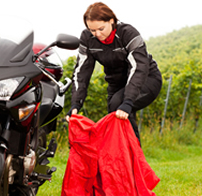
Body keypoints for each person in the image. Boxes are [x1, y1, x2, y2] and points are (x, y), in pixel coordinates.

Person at [66, 2, 162, 142]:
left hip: (146, 79)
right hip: (116, 84)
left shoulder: (128, 34)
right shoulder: (87, 39)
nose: (97, 34)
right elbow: (81, 72)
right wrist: (76, 104)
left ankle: (132, 160)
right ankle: (129, 160)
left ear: (111, 20)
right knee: (115, 118)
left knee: (118, 106)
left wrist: (128, 100)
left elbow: (139, 68)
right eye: (92, 30)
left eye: (101, 28)